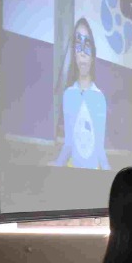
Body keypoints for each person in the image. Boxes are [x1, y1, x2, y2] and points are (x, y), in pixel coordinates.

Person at [53, 18, 110, 170]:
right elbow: (68, 145)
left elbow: (100, 149)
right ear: (73, 52)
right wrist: (54, 168)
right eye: (78, 44)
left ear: (93, 54)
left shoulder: (100, 99)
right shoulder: (68, 95)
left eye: (87, 44)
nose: (83, 53)